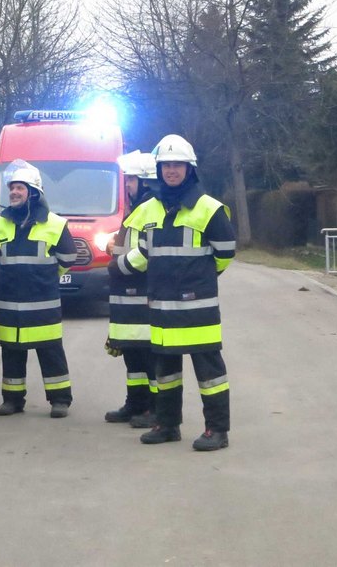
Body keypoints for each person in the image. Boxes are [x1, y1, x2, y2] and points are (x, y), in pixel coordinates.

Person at [117, 135, 236, 451]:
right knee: (165, 371)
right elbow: (143, 251)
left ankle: (217, 431)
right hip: (162, 306)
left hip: (198, 306)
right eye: (166, 165)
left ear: (189, 169)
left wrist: (200, 279)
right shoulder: (148, 210)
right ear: (158, 170)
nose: (171, 170)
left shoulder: (209, 208)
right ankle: (168, 425)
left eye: (177, 165)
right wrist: (119, 266)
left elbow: (225, 252)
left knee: (209, 372)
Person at [0, 159, 77, 418]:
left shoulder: (55, 224)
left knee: (50, 351)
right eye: (12, 188)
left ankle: (60, 400)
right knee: (11, 352)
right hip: (9, 304)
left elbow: (68, 258)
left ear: (34, 193)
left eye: (21, 188)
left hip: (43, 303)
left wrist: (44, 276)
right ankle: (12, 400)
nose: (14, 192)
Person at [104, 150, 159, 429]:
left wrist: (118, 262)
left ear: (146, 181)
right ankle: (136, 403)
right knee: (133, 354)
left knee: (149, 357)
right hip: (129, 297)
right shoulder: (139, 207)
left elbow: (146, 253)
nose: (127, 186)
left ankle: (154, 408)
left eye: (132, 180)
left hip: (142, 294)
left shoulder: (152, 208)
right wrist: (114, 248)